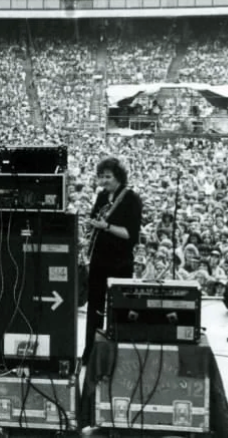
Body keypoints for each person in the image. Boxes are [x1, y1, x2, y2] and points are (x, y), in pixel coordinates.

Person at [83, 156, 142, 364]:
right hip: (99, 260)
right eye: (101, 176)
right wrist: (90, 225)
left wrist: (106, 227)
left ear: (118, 176)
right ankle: (90, 352)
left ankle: (118, 354)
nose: (104, 181)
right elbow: (95, 221)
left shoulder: (131, 199)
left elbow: (130, 234)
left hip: (120, 262)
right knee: (95, 308)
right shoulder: (101, 197)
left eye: (108, 176)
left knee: (119, 309)